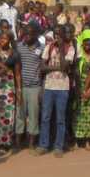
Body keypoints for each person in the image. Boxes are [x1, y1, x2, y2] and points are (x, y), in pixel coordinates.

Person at [34, 26, 75, 157]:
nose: (57, 37)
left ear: (63, 35)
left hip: (62, 88)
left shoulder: (70, 48)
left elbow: (65, 66)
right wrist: (56, 68)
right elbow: (42, 67)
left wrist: (61, 49)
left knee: (60, 119)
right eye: (56, 34)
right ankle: (43, 145)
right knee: (45, 117)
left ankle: (58, 146)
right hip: (49, 86)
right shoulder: (49, 47)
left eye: (59, 34)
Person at [0, 31, 20, 151]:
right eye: (1, 38)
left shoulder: (15, 54)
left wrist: (19, 90)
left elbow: (17, 74)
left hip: (8, 86)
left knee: (8, 114)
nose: (2, 40)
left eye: (5, 38)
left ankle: (6, 142)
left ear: (10, 40)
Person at [73, 37, 90, 149]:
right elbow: (76, 73)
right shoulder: (79, 57)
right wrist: (79, 89)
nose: (87, 46)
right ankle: (77, 140)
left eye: (89, 44)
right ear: (82, 45)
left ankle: (87, 141)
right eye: (85, 44)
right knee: (78, 114)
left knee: (89, 115)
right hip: (79, 86)